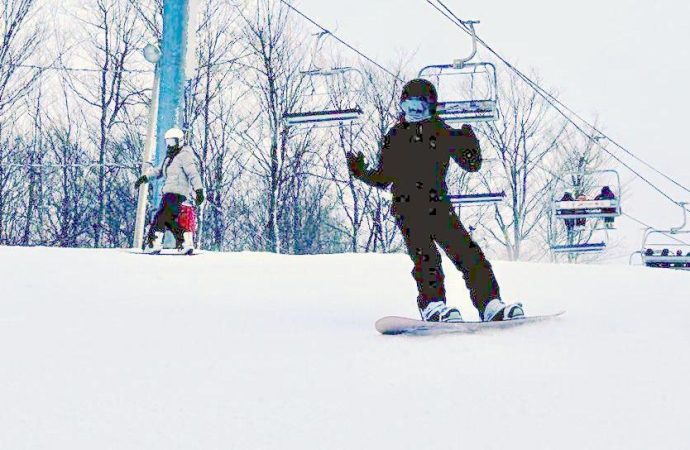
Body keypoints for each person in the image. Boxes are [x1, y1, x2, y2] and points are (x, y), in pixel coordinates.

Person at [346, 78, 523, 323]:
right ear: (402, 107)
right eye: (408, 108)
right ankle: (433, 305)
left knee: (468, 253)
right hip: (407, 206)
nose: (414, 114)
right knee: (426, 257)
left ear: (431, 107)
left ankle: (490, 303)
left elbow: (472, 165)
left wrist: (469, 143)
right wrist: (361, 171)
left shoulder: (441, 131)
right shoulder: (395, 135)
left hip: (438, 205)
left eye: (420, 108)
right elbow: (384, 177)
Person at [134, 127, 204, 255]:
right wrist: (144, 178)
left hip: (178, 194)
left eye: (173, 142)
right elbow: (158, 171)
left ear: (180, 141)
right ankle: (184, 242)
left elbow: (193, 174)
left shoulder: (185, 156)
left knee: (160, 217)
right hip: (168, 193)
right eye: (168, 142)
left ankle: (154, 243)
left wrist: (199, 190)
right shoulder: (169, 157)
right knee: (168, 220)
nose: (170, 145)